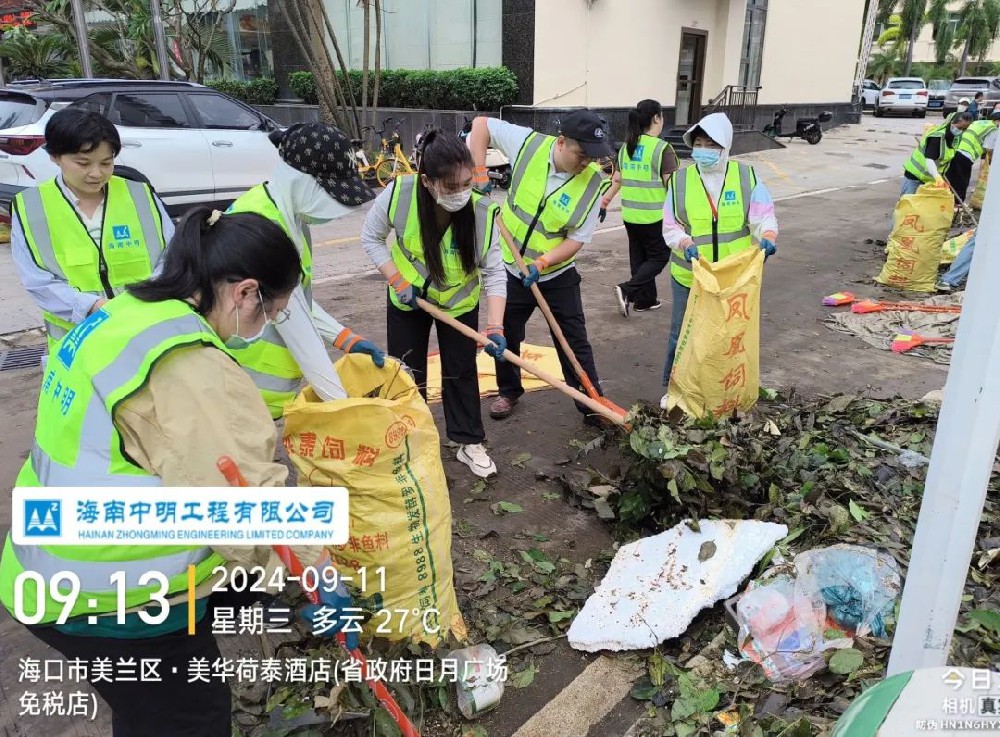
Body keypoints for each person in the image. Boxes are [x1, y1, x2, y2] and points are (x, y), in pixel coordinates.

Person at [0, 208, 354, 736]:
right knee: (189, 719)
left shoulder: (128, 313)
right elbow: (243, 501)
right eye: (270, 314)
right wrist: (322, 576)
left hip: (46, 555)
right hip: (102, 596)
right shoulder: (188, 366)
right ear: (245, 293)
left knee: (150, 709)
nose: (264, 328)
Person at [362, 130, 507, 477]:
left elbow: (495, 272)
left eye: (467, 183)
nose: (461, 193)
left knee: (460, 371)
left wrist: (496, 326)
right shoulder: (400, 194)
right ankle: (410, 442)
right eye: (452, 187)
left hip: (459, 305)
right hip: (408, 299)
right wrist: (397, 282)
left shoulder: (483, 213)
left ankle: (468, 442)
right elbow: (371, 237)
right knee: (407, 373)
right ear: (427, 181)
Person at [227, 122, 385, 418]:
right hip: (234, 398)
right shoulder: (262, 231)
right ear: (303, 181)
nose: (338, 209)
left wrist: (344, 338)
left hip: (260, 401)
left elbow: (298, 301)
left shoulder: (292, 221)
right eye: (333, 194)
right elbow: (297, 329)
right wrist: (344, 409)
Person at [467, 109, 612, 425]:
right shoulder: (528, 144)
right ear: (561, 142)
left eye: (593, 156)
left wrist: (544, 261)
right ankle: (508, 391)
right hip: (510, 267)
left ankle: (591, 402)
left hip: (556, 274)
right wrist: (479, 174)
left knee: (573, 340)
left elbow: (576, 240)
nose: (587, 161)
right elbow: (480, 126)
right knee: (505, 332)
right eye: (581, 153)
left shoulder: (592, 185)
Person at [12, 107, 173, 356]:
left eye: (106, 163)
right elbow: (38, 281)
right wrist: (93, 307)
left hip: (146, 332)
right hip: (79, 343)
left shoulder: (140, 195)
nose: (97, 173)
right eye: (83, 163)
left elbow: (172, 255)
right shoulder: (31, 207)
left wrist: (147, 298)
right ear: (55, 156)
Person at [660, 112, 778, 392]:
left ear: (725, 147)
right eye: (698, 144)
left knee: (727, 335)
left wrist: (769, 236)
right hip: (690, 275)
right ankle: (674, 388)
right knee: (683, 334)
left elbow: (763, 217)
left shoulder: (746, 177)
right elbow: (670, 226)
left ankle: (720, 388)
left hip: (731, 278)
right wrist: (685, 243)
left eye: (711, 145)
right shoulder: (680, 181)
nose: (704, 151)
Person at [601, 99, 679, 316]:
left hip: (631, 215)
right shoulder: (662, 148)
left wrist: (604, 203)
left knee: (639, 258)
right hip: (654, 216)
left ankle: (646, 301)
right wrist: (683, 213)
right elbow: (671, 185)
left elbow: (617, 180)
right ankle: (628, 290)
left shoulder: (627, 147)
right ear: (656, 117)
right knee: (658, 257)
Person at [900, 112, 974, 197]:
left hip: (930, 179)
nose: (961, 131)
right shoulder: (937, 137)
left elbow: (945, 161)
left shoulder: (956, 138)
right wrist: (937, 176)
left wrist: (943, 177)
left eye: (964, 129)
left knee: (921, 206)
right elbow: (929, 160)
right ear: (952, 122)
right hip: (915, 176)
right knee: (907, 204)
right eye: (959, 127)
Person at [946, 111, 999, 202]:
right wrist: (992, 160)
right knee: (962, 182)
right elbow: (989, 148)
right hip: (966, 155)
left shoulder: (979, 122)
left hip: (954, 151)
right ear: (998, 121)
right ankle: (957, 205)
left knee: (951, 177)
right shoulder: (993, 128)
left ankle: (944, 200)